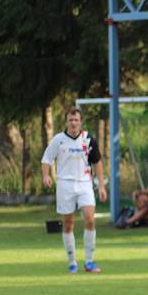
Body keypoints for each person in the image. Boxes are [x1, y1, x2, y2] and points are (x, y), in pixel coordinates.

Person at [41, 106, 107, 274]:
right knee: (68, 223)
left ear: (80, 122)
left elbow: (97, 162)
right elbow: (47, 159)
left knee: (90, 219)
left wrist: (100, 185)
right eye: (70, 120)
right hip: (65, 184)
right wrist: (46, 176)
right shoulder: (59, 140)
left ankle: (89, 261)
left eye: (76, 120)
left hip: (85, 183)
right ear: (66, 122)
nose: (73, 123)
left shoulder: (88, 139)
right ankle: (72, 262)